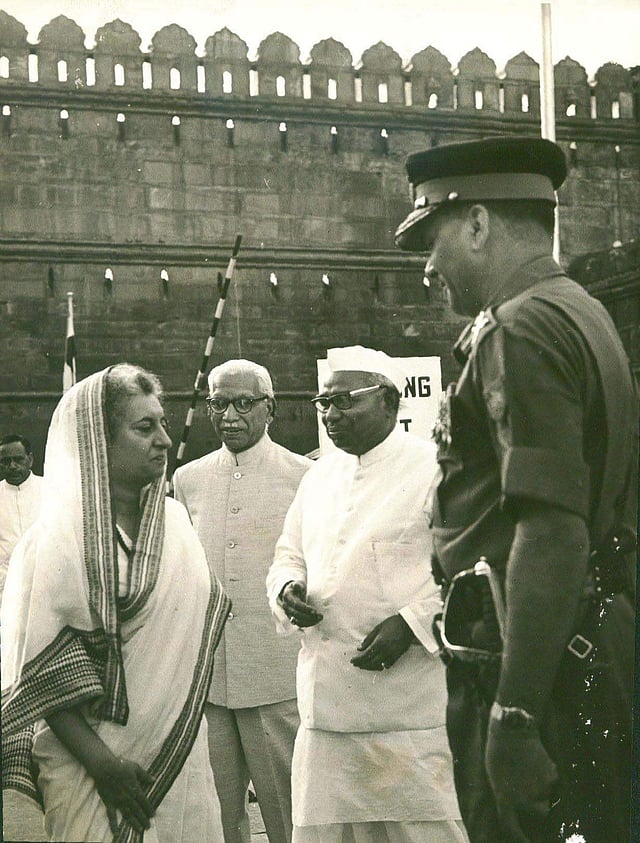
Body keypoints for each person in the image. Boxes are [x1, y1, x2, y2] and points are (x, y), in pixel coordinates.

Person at [394, 135, 638, 842]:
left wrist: (514, 715)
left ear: (477, 222)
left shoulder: (518, 329)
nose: (429, 267)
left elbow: (551, 529)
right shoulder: (579, 311)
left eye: (433, 240)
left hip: (538, 667)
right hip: (588, 645)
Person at [1, 364, 230, 842]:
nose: (164, 440)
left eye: (163, 424)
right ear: (96, 442)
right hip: (90, 772)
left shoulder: (177, 524)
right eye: (144, 427)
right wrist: (106, 768)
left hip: (179, 755)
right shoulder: (52, 542)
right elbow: (42, 679)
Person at [266, 345, 467, 843]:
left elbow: (467, 572)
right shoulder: (319, 476)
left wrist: (413, 624)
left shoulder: (435, 469)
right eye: (324, 403)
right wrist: (288, 590)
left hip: (409, 710)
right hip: (328, 709)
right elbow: (286, 556)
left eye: (345, 401)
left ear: (390, 401)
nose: (331, 414)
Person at [173, 359, 311, 843]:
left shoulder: (304, 477)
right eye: (218, 403)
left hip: (274, 674)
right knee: (215, 818)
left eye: (244, 403)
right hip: (207, 680)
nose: (230, 415)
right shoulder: (187, 479)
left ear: (269, 408)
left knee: (288, 816)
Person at [0, 434, 44, 597]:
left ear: (30, 459)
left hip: (44, 580)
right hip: (5, 587)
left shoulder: (50, 489)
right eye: (5, 461)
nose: (12, 466)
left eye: (18, 459)